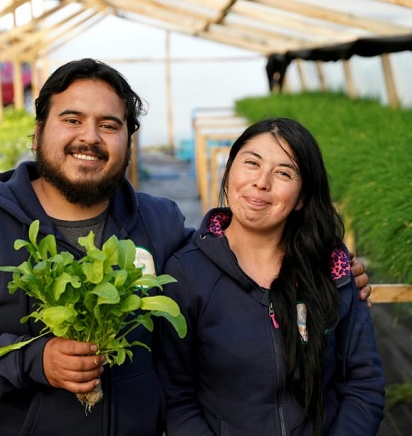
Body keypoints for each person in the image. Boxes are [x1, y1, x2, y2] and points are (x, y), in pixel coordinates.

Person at [0, 58, 372, 435]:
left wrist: (323, 270)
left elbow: (226, 269)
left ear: (129, 141)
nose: (89, 136)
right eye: (72, 119)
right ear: (38, 130)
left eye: (110, 124)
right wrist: (35, 360)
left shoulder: (160, 221)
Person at [155, 117, 385, 435]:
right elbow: (177, 399)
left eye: (283, 172)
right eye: (251, 163)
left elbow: (363, 385)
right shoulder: (188, 274)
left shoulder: (332, 268)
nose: (262, 182)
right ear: (229, 170)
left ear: (302, 197)